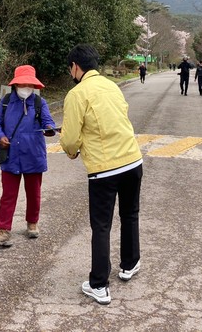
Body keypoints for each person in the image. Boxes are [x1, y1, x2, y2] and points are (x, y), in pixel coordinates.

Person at [59, 44, 143, 305]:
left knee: (101, 225)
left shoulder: (76, 94)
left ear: (75, 66)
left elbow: (70, 139)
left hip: (104, 169)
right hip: (132, 160)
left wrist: (72, 152)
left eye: (70, 68)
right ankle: (130, 264)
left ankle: (99, 284)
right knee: (130, 214)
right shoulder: (112, 86)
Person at [0, 65, 56, 247]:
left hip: (33, 154)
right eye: (22, 83)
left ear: (34, 86)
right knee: (8, 194)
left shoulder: (41, 103)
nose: (26, 87)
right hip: (11, 155)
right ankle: (3, 229)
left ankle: (32, 223)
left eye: (29, 84)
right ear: (16, 84)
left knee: (34, 193)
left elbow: (48, 121)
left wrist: (50, 129)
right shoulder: (6, 102)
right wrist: (0, 136)